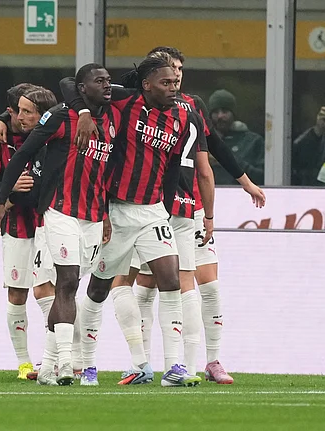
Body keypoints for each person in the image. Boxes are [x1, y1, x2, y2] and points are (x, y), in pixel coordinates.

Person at [60, 55, 207, 387]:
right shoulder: (125, 100)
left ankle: (174, 368)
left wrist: (167, 207)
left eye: (175, 83)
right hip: (117, 212)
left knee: (170, 279)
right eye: (165, 83)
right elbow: (69, 84)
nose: (173, 88)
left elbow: (173, 168)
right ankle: (88, 364)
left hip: (153, 210)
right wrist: (84, 112)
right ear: (146, 85)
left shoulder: (183, 117)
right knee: (98, 288)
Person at [121, 47, 266, 384]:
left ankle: (208, 361)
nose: (177, 75)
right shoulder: (134, 104)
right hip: (151, 205)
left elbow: (214, 151)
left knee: (206, 284)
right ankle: (146, 363)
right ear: (152, 77)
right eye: (170, 70)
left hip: (190, 206)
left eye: (180, 69)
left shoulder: (192, 107)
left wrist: (245, 183)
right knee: (147, 284)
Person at [0, 64, 117, 386]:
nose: (107, 85)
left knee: (69, 286)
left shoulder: (116, 116)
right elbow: (22, 155)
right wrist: (0, 201)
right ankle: (66, 363)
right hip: (59, 212)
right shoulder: (62, 117)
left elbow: (105, 175)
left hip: (91, 215)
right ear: (82, 88)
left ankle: (47, 365)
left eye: (108, 80)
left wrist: (104, 214)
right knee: (67, 282)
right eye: (99, 80)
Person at [0, 83, 57, 380]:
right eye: (18, 112)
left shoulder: (49, 135)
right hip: (15, 223)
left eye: (28, 111)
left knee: (47, 290)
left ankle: (60, 357)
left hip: (47, 221)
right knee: (16, 292)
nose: (23, 118)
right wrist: (10, 191)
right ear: (10, 112)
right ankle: (25, 364)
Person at [207, 89, 265, 186]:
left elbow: (262, 177)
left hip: (242, 197)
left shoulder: (253, 141)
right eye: (216, 112)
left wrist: (227, 159)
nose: (220, 116)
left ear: (233, 114)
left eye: (225, 111)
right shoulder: (204, 141)